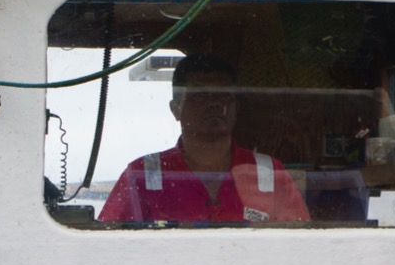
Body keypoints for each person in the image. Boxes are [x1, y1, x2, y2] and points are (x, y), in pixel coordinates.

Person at [98, 55, 309, 225]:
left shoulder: (270, 172)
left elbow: (299, 250)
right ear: (175, 109)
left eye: (223, 95)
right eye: (200, 95)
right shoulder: (141, 174)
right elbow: (108, 250)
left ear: (237, 108)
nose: (214, 104)